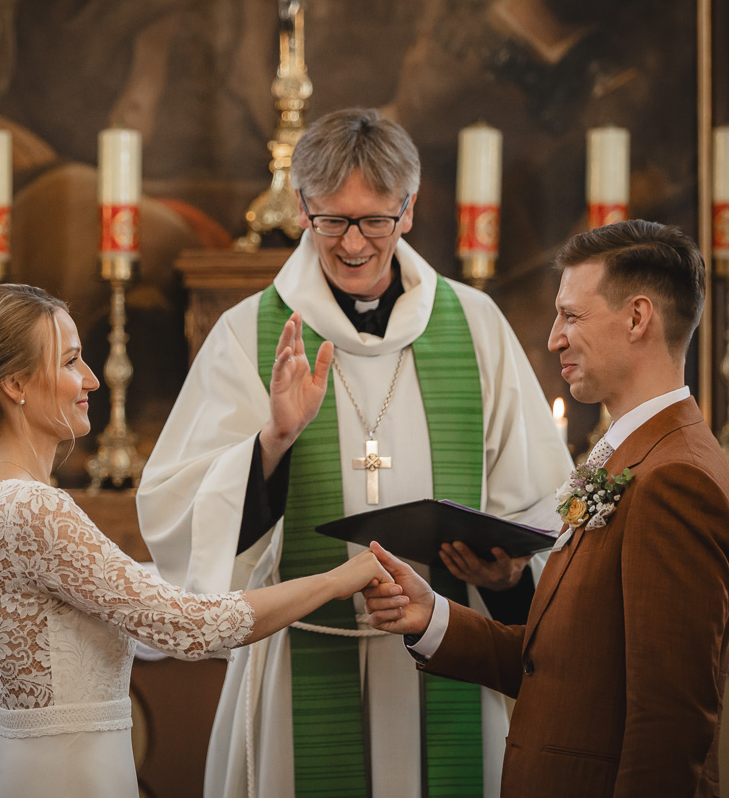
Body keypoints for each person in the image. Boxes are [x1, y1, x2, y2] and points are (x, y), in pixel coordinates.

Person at [137, 107, 572, 797]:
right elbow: (180, 515)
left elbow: (544, 501)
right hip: (303, 662)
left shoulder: (475, 325)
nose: (352, 243)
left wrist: (506, 576)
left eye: (374, 220)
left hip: (450, 660)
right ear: (301, 207)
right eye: (331, 220)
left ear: (409, 209)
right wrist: (272, 443)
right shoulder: (247, 333)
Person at [0, 283, 395, 798]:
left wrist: (274, 438)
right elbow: (191, 628)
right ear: (15, 384)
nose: (92, 378)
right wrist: (339, 579)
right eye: (71, 361)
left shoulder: (2, 493)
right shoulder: (29, 507)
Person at [364, 219, 729, 798]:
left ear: (637, 318)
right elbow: (563, 667)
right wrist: (432, 616)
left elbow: (670, 726)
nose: (553, 339)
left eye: (571, 315)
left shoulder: (677, 479)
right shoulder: (630, 455)